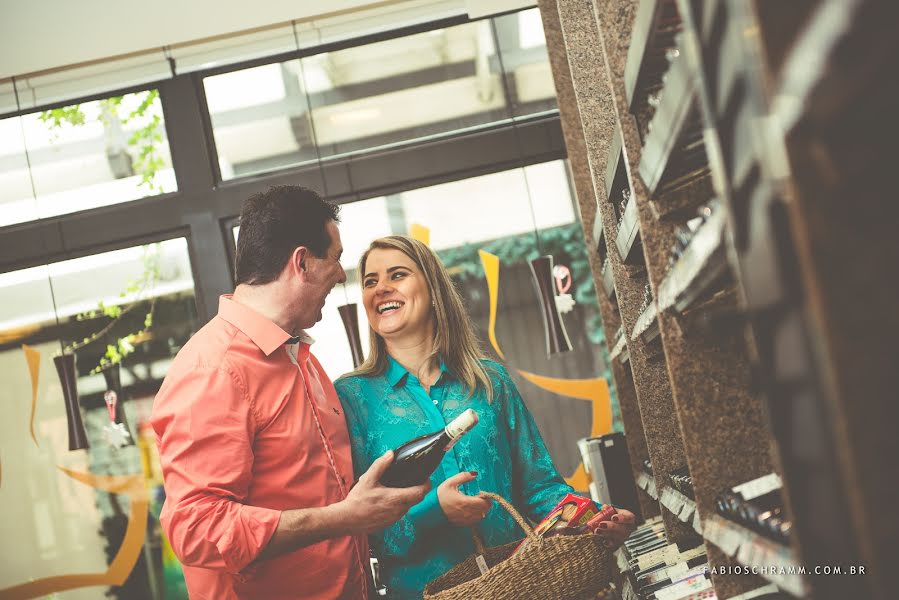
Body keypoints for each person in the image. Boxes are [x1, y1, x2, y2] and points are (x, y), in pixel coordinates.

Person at [151, 187, 429, 600]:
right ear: (301, 262)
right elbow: (196, 529)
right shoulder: (213, 370)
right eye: (334, 257)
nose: (340, 274)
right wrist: (342, 518)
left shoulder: (300, 356)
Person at [334, 236, 636, 599]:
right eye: (370, 281)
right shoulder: (350, 398)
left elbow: (540, 488)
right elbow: (359, 529)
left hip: (520, 588)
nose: (381, 288)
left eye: (397, 275)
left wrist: (599, 517)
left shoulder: (491, 381)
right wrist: (436, 511)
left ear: (433, 290)